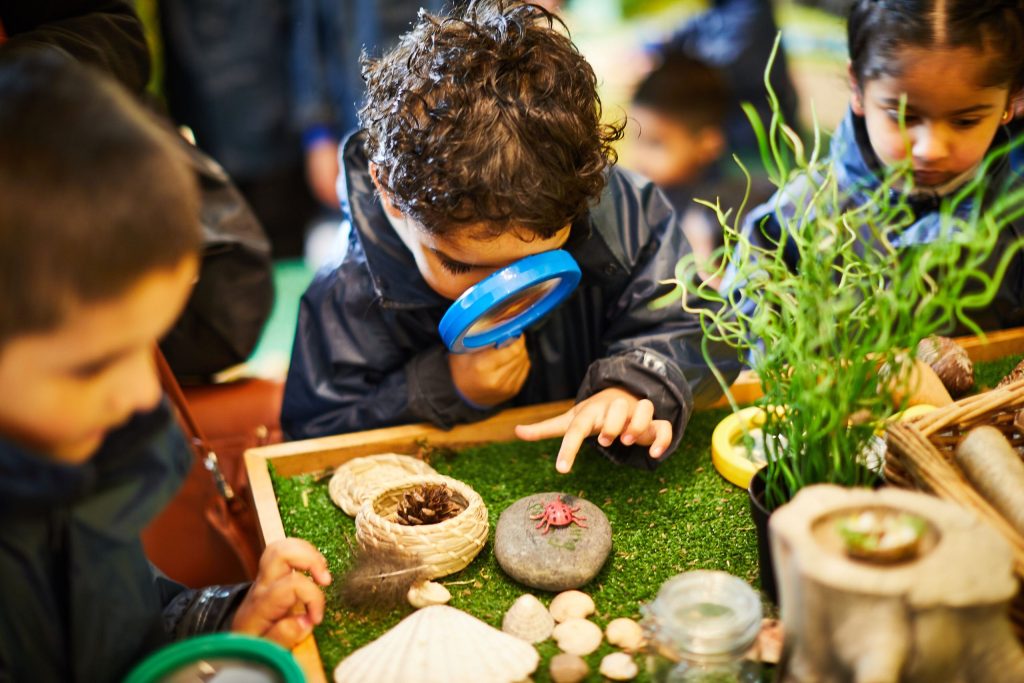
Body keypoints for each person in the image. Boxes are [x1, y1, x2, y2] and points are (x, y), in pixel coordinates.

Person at [281, 0, 735, 474]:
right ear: (389, 193)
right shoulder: (348, 289)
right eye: (461, 266)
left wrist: (639, 383)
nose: (511, 292)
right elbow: (311, 438)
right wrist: (441, 386)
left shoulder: (615, 210)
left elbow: (698, 327)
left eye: (541, 260)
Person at [0, 55, 331, 682]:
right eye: (91, 367)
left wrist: (223, 622)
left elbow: (126, 629)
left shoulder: (85, 457)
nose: (138, 394)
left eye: (148, 347)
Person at [739, 0, 1024, 332]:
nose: (930, 149)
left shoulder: (1015, 215)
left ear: (1009, 104)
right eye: (903, 117)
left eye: (965, 121)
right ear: (858, 89)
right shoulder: (793, 221)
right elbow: (751, 351)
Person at [629, 52, 774, 282]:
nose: (640, 158)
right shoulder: (652, 192)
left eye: (656, 143)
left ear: (707, 145)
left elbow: (716, 291)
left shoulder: (717, 213)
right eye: (634, 138)